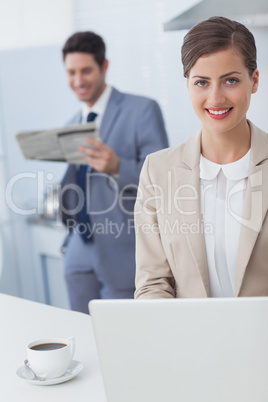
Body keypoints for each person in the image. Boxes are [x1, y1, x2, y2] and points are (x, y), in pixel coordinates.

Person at [134, 16, 268, 299]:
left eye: (230, 80)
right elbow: (153, 284)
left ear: (254, 81)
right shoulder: (157, 171)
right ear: (188, 85)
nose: (215, 98)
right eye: (202, 83)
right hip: (188, 340)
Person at [60, 31, 168, 313]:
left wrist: (118, 167)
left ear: (104, 67)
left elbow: (164, 180)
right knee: (82, 329)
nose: (78, 81)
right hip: (79, 246)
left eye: (86, 71)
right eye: (71, 72)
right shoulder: (72, 123)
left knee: (125, 339)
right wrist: (70, 236)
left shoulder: (142, 109)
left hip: (124, 246)